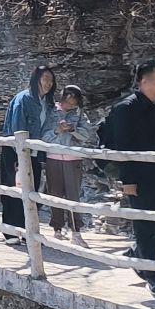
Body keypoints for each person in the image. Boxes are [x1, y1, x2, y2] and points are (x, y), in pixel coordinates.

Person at [98, 60, 155, 295]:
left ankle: (137, 253)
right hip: (139, 178)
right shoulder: (126, 109)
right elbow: (123, 147)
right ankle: (153, 277)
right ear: (144, 82)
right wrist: (128, 181)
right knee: (143, 227)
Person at [0, 65, 57, 234]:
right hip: (15, 151)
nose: (48, 83)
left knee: (31, 191)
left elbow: (45, 128)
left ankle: (27, 231)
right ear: (36, 79)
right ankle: (10, 231)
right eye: (45, 78)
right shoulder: (23, 99)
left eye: (51, 80)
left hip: (34, 153)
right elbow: (17, 128)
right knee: (13, 191)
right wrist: (19, 154)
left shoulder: (47, 103)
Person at [43, 85, 97, 242]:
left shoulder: (80, 114)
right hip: (52, 158)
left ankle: (76, 231)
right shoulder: (50, 111)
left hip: (73, 159)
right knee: (55, 195)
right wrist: (56, 131)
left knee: (73, 196)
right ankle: (57, 229)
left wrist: (72, 129)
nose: (70, 106)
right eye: (68, 103)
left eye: (74, 104)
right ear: (62, 98)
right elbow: (43, 136)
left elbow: (86, 134)